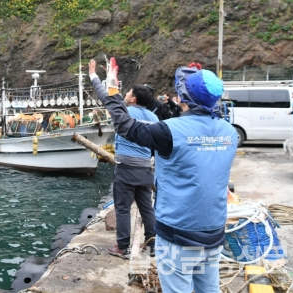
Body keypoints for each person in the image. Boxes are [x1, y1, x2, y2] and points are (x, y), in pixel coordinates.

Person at [89, 58, 237, 293]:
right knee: (208, 289)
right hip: (213, 233)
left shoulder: (170, 131)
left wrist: (113, 90)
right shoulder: (230, 133)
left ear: (183, 98)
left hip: (179, 236)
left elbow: (125, 126)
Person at [107, 84, 158, 259]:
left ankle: (122, 246)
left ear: (133, 99)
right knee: (146, 208)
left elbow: (110, 98)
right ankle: (152, 244)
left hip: (126, 168)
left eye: (128, 92)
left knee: (123, 208)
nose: (126, 94)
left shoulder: (126, 113)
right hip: (145, 168)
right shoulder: (154, 117)